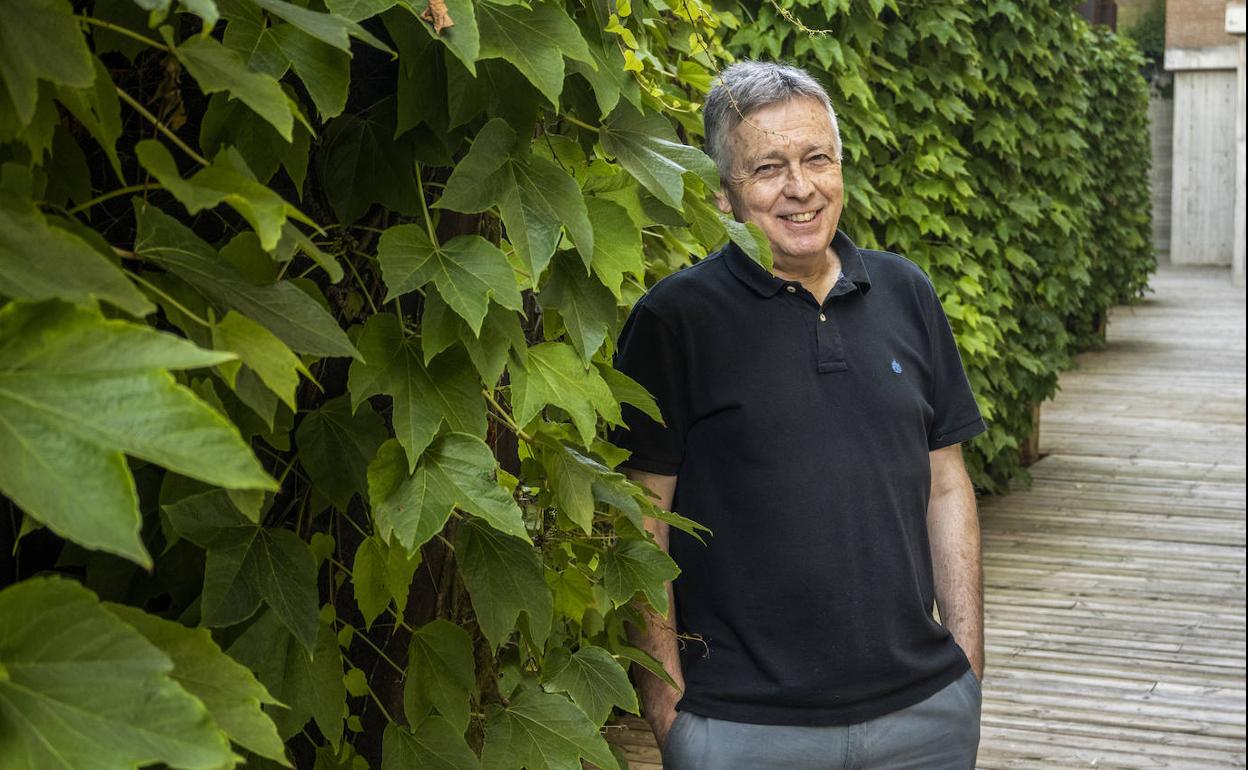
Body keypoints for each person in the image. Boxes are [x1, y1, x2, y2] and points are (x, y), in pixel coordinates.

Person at [607, 60, 986, 769]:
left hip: (924, 719)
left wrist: (967, 662)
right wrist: (668, 709)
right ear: (723, 194)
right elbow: (640, 518)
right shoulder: (674, 321)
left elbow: (946, 484)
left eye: (818, 159)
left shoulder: (908, 293)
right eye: (768, 168)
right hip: (744, 729)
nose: (800, 187)